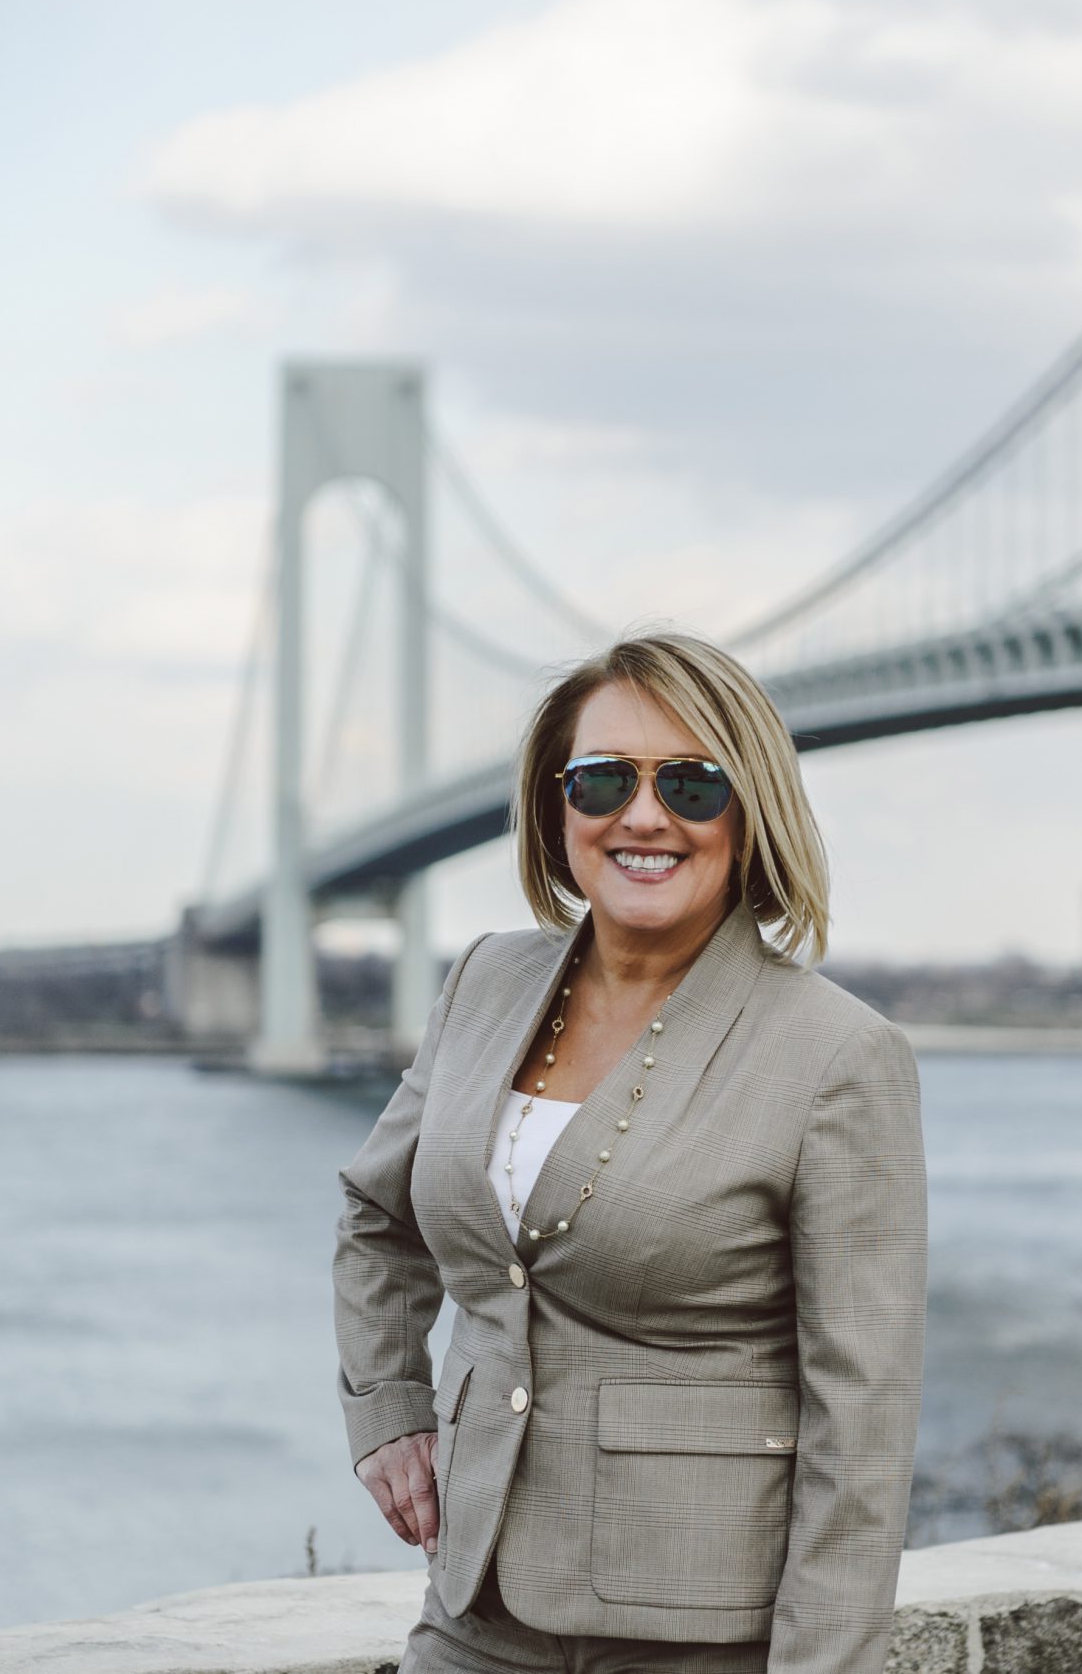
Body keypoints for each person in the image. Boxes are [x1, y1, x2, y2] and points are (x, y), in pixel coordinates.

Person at [332, 630, 927, 1674]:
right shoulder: (483, 982)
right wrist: (387, 1408)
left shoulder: (839, 1054)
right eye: (603, 778)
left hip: (700, 1634)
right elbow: (380, 1220)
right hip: (471, 1604)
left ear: (751, 813)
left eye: (693, 785)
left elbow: (860, 1420)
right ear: (555, 803)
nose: (643, 815)